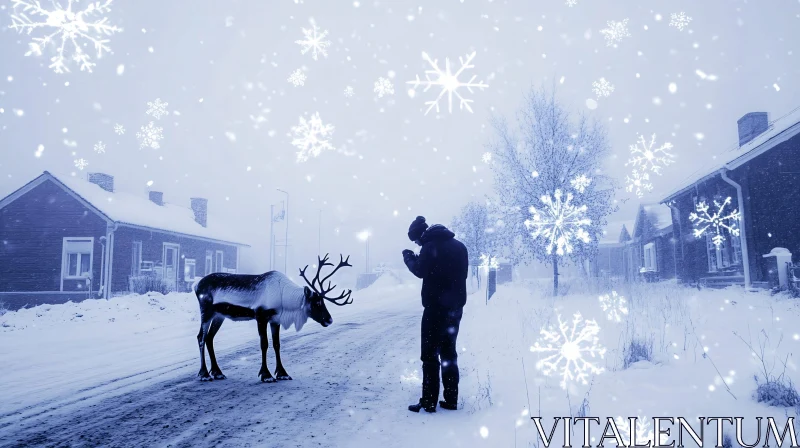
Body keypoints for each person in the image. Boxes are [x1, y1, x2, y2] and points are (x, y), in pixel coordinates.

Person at [402, 216, 469, 413]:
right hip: (455, 309)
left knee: (430, 356)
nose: (416, 244)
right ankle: (451, 399)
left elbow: (420, 271)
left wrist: (409, 257)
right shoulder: (459, 246)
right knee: (449, 353)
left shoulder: (430, 247)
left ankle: (429, 401)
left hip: (435, 310)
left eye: (416, 241)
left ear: (421, 235)